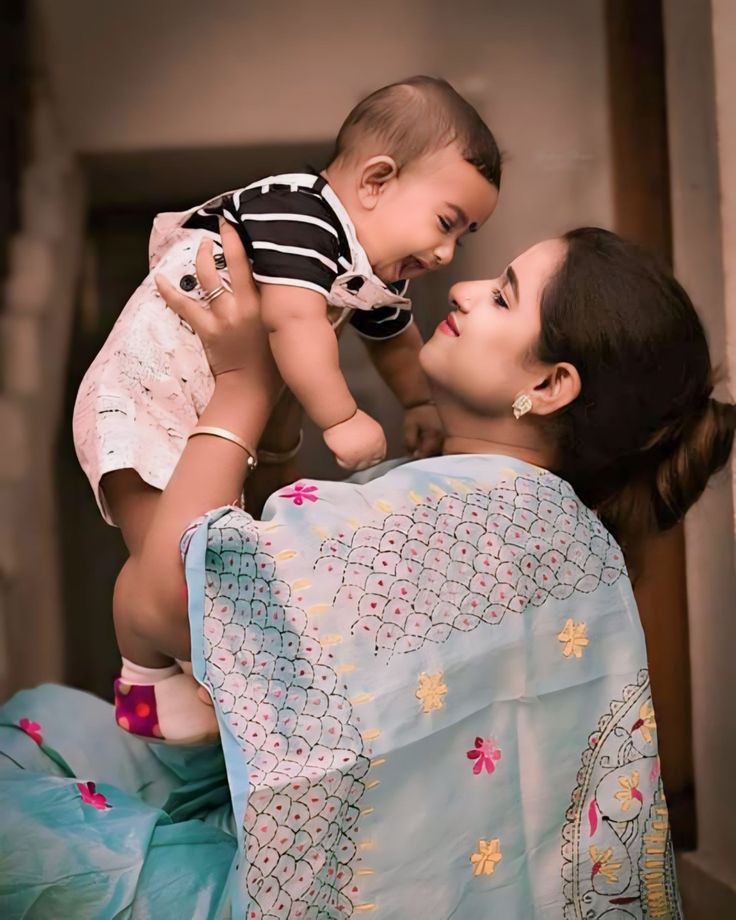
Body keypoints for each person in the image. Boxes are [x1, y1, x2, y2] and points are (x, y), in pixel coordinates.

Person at [2, 224, 730, 917]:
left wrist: (242, 386)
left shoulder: (474, 512)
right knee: (46, 717)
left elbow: (163, 605)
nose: (466, 289)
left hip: (309, 898)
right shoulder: (546, 523)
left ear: (547, 387)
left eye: (504, 296)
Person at [71, 76, 500, 741]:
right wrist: (341, 417)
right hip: (144, 395)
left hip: (200, 400)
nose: (446, 252)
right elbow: (294, 323)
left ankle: (168, 669)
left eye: (463, 237)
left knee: (212, 555)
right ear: (376, 182)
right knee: (176, 565)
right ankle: (145, 668)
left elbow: (392, 335)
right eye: (446, 222)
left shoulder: (369, 264)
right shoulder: (300, 217)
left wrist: (417, 399)